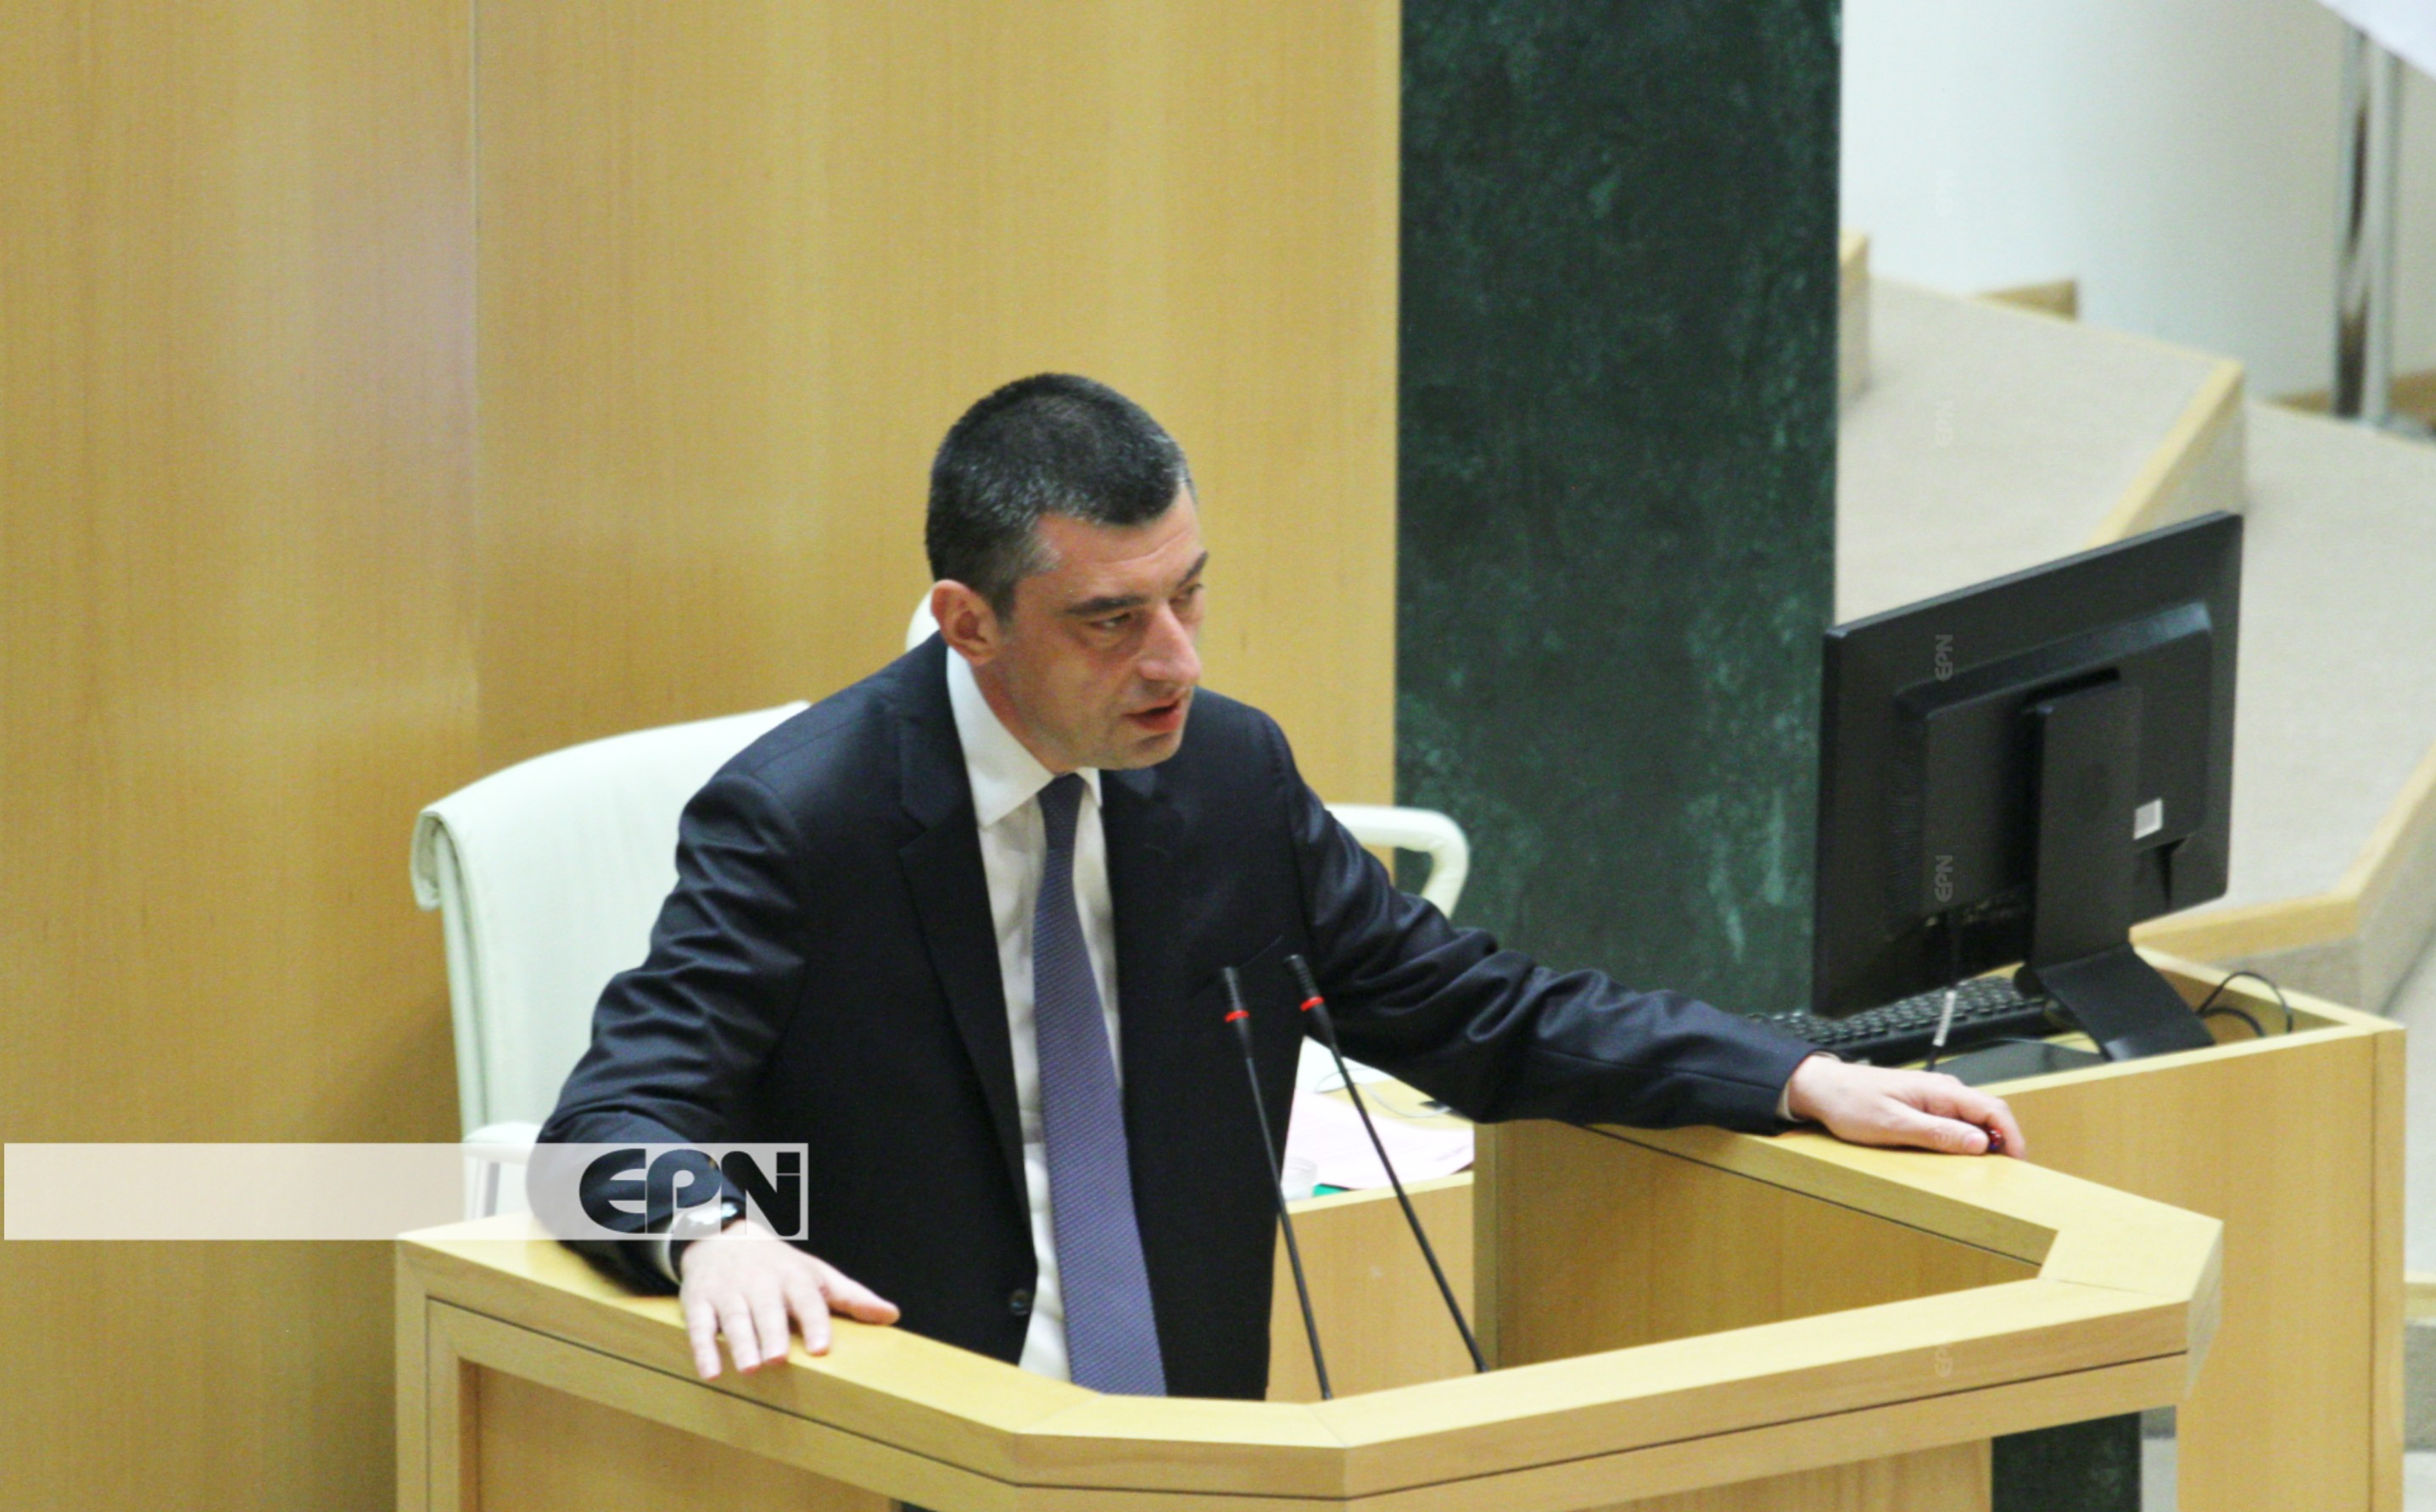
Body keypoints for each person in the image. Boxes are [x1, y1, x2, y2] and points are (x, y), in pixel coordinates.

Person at [536, 373, 2025, 1392]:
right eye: (1111, 621)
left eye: (1189, 594)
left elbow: (1471, 1008)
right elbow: (597, 1135)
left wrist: (1792, 1076)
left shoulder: (1226, 777)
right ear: (967, 622)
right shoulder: (803, 820)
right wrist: (714, 1231)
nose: (1174, 661)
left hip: (1203, 1440)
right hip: (928, 1435)